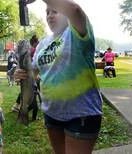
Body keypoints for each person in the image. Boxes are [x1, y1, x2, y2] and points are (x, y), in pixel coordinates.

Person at [15, 0, 103, 153]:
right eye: (47, 12)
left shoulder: (77, 32)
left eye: (54, 11)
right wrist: (20, 72)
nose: (49, 16)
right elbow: (34, 73)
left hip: (81, 114)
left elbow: (75, 9)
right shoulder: (43, 44)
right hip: (52, 113)